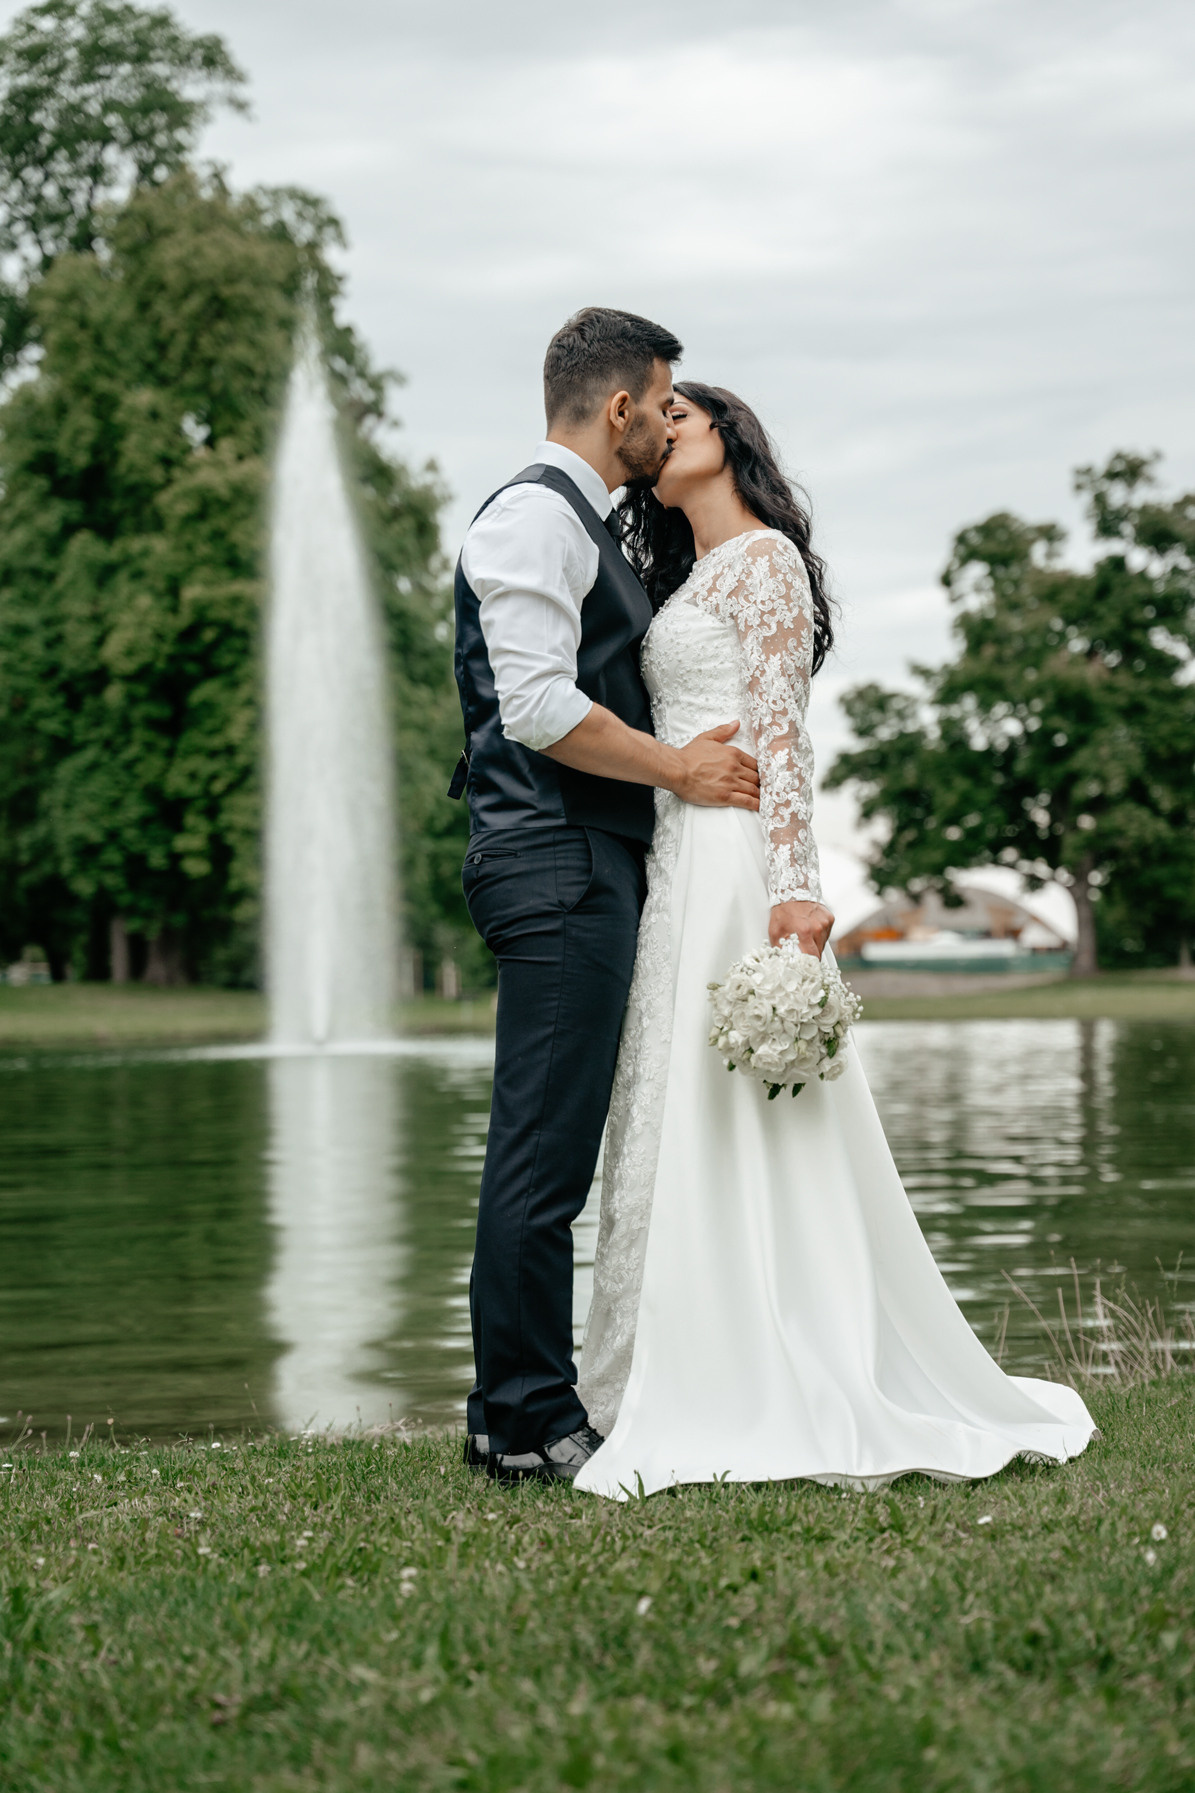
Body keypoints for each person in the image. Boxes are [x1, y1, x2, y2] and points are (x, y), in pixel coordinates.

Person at [573, 382, 1096, 1498]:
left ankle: (771, 1359)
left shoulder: (762, 561)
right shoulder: (680, 573)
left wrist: (799, 891)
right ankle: (640, 1373)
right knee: (666, 1098)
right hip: (674, 854)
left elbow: (782, 734)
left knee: (739, 1104)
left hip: (732, 860)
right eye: (658, 423)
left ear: (729, 444)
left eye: (686, 421)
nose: (667, 435)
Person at [453, 311, 761, 1484]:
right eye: (662, 399)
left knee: (548, 1145)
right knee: (541, 1152)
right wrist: (679, 765)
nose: (666, 421)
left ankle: (509, 1410)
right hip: (556, 858)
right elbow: (531, 703)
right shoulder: (535, 513)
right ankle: (529, 1415)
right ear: (620, 405)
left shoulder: (575, 521)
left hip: (577, 859)